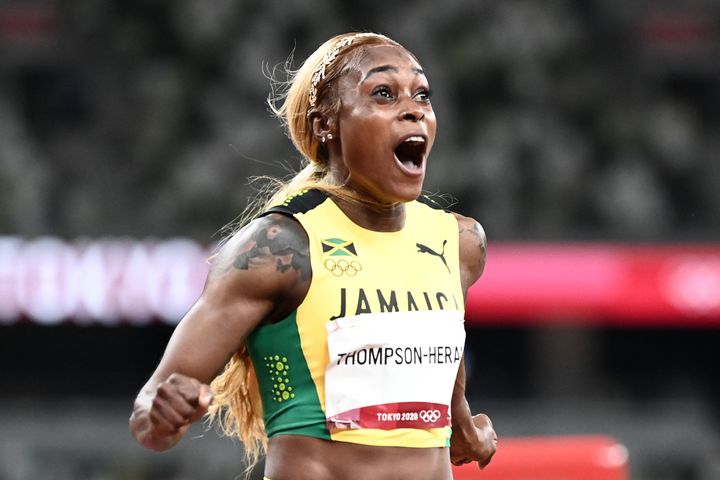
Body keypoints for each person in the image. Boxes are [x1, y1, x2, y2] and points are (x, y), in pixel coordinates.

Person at [129, 31, 497, 480]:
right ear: (326, 124)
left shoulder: (457, 242)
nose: (414, 108)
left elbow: (434, 346)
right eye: (383, 93)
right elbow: (150, 417)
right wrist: (163, 414)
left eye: (422, 94)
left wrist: (461, 423)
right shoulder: (278, 248)